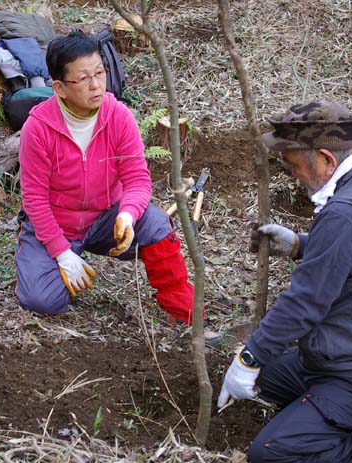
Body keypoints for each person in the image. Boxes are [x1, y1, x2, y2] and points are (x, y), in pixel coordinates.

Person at [218, 100, 352, 463]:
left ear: (327, 159)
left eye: (296, 165)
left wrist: (250, 357)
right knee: (261, 382)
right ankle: (332, 416)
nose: (294, 175)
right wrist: (301, 244)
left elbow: (305, 303)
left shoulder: (347, 212)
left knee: (272, 454)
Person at [15, 31, 217, 342]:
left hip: (105, 217)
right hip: (59, 224)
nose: (96, 85)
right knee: (42, 300)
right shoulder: (38, 128)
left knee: (156, 222)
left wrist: (127, 214)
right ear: (59, 88)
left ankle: (183, 311)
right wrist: (62, 253)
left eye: (100, 73)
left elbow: (137, 178)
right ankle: (50, 258)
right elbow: (35, 199)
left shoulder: (118, 116)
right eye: (83, 79)